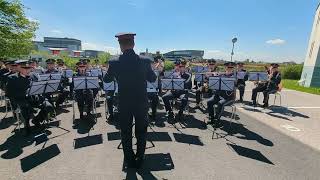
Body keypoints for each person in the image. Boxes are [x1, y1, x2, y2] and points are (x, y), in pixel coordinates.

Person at [103, 32, 156, 169]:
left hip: (124, 103)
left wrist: (111, 72)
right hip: (141, 102)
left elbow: (106, 80)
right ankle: (140, 157)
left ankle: (129, 159)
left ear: (120, 46)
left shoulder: (114, 62)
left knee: (125, 132)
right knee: (141, 132)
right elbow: (152, 79)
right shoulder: (145, 61)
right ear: (133, 44)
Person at [6, 60, 54, 135]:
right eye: (25, 68)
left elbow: (40, 87)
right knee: (25, 108)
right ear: (19, 68)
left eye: (28, 68)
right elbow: (9, 93)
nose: (27, 70)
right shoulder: (12, 78)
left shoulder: (33, 75)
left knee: (49, 106)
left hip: (35, 98)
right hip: (21, 99)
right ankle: (26, 125)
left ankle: (37, 120)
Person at [207, 62, 236, 126]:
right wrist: (211, 76)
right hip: (219, 95)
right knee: (209, 102)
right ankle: (211, 118)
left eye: (231, 68)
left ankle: (217, 120)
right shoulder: (221, 75)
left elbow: (235, 85)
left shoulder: (234, 77)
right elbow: (212, 82)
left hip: (228, 97)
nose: (229, 69)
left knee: (220, 103)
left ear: (233, 68)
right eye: (228, 67)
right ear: (225, 68)